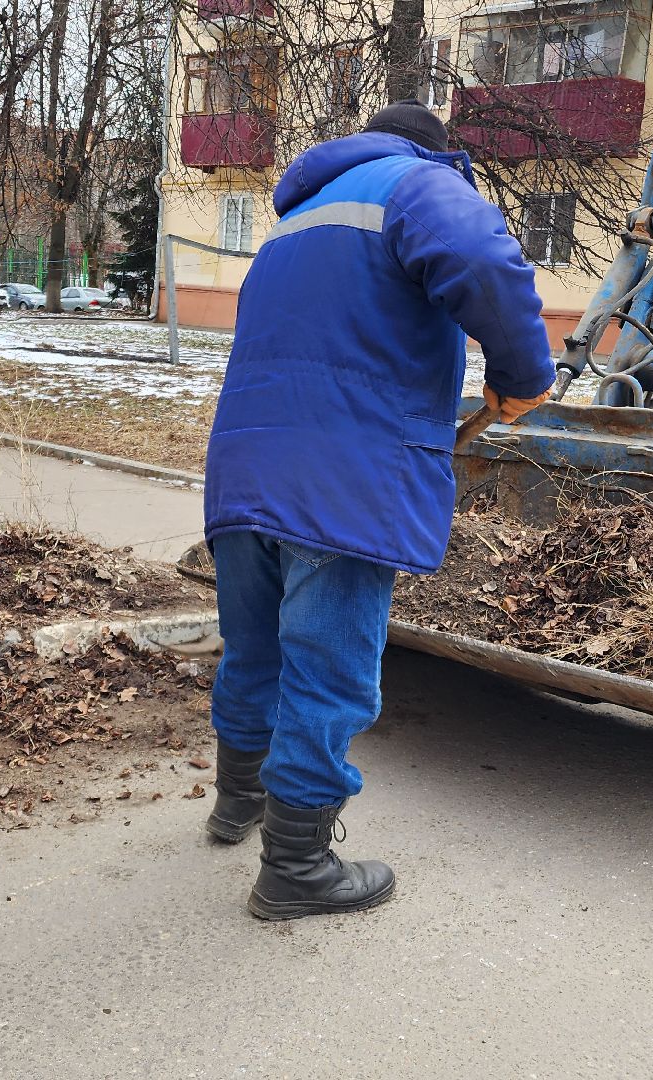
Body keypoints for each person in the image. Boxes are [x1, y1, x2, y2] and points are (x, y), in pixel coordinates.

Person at [200, 101, 555, 920]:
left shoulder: (296, 221)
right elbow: (483, 259)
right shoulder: (417, 186)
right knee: (328, 668)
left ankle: (235, 805)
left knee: (255, 651)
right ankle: (297, 867)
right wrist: (523, 372)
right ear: (438, 154)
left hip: (246, 468)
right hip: (342, 476)